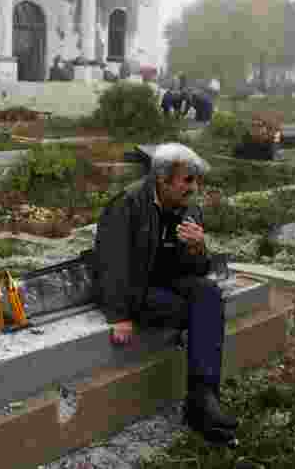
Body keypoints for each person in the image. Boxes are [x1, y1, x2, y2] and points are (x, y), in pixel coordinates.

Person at [92, 143, 238, 445]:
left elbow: (194, 271)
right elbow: (111, 261)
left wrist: (198, 249)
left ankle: (203, 397)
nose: (194, 188)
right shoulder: (129, 203)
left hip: (169, 284)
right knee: (205, 317)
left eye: (196, 180)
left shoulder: (190, 209)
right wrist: (119, 316)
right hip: (135, 289)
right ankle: (200, 408)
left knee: (208, 293)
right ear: (162, 178)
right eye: (187, 180)